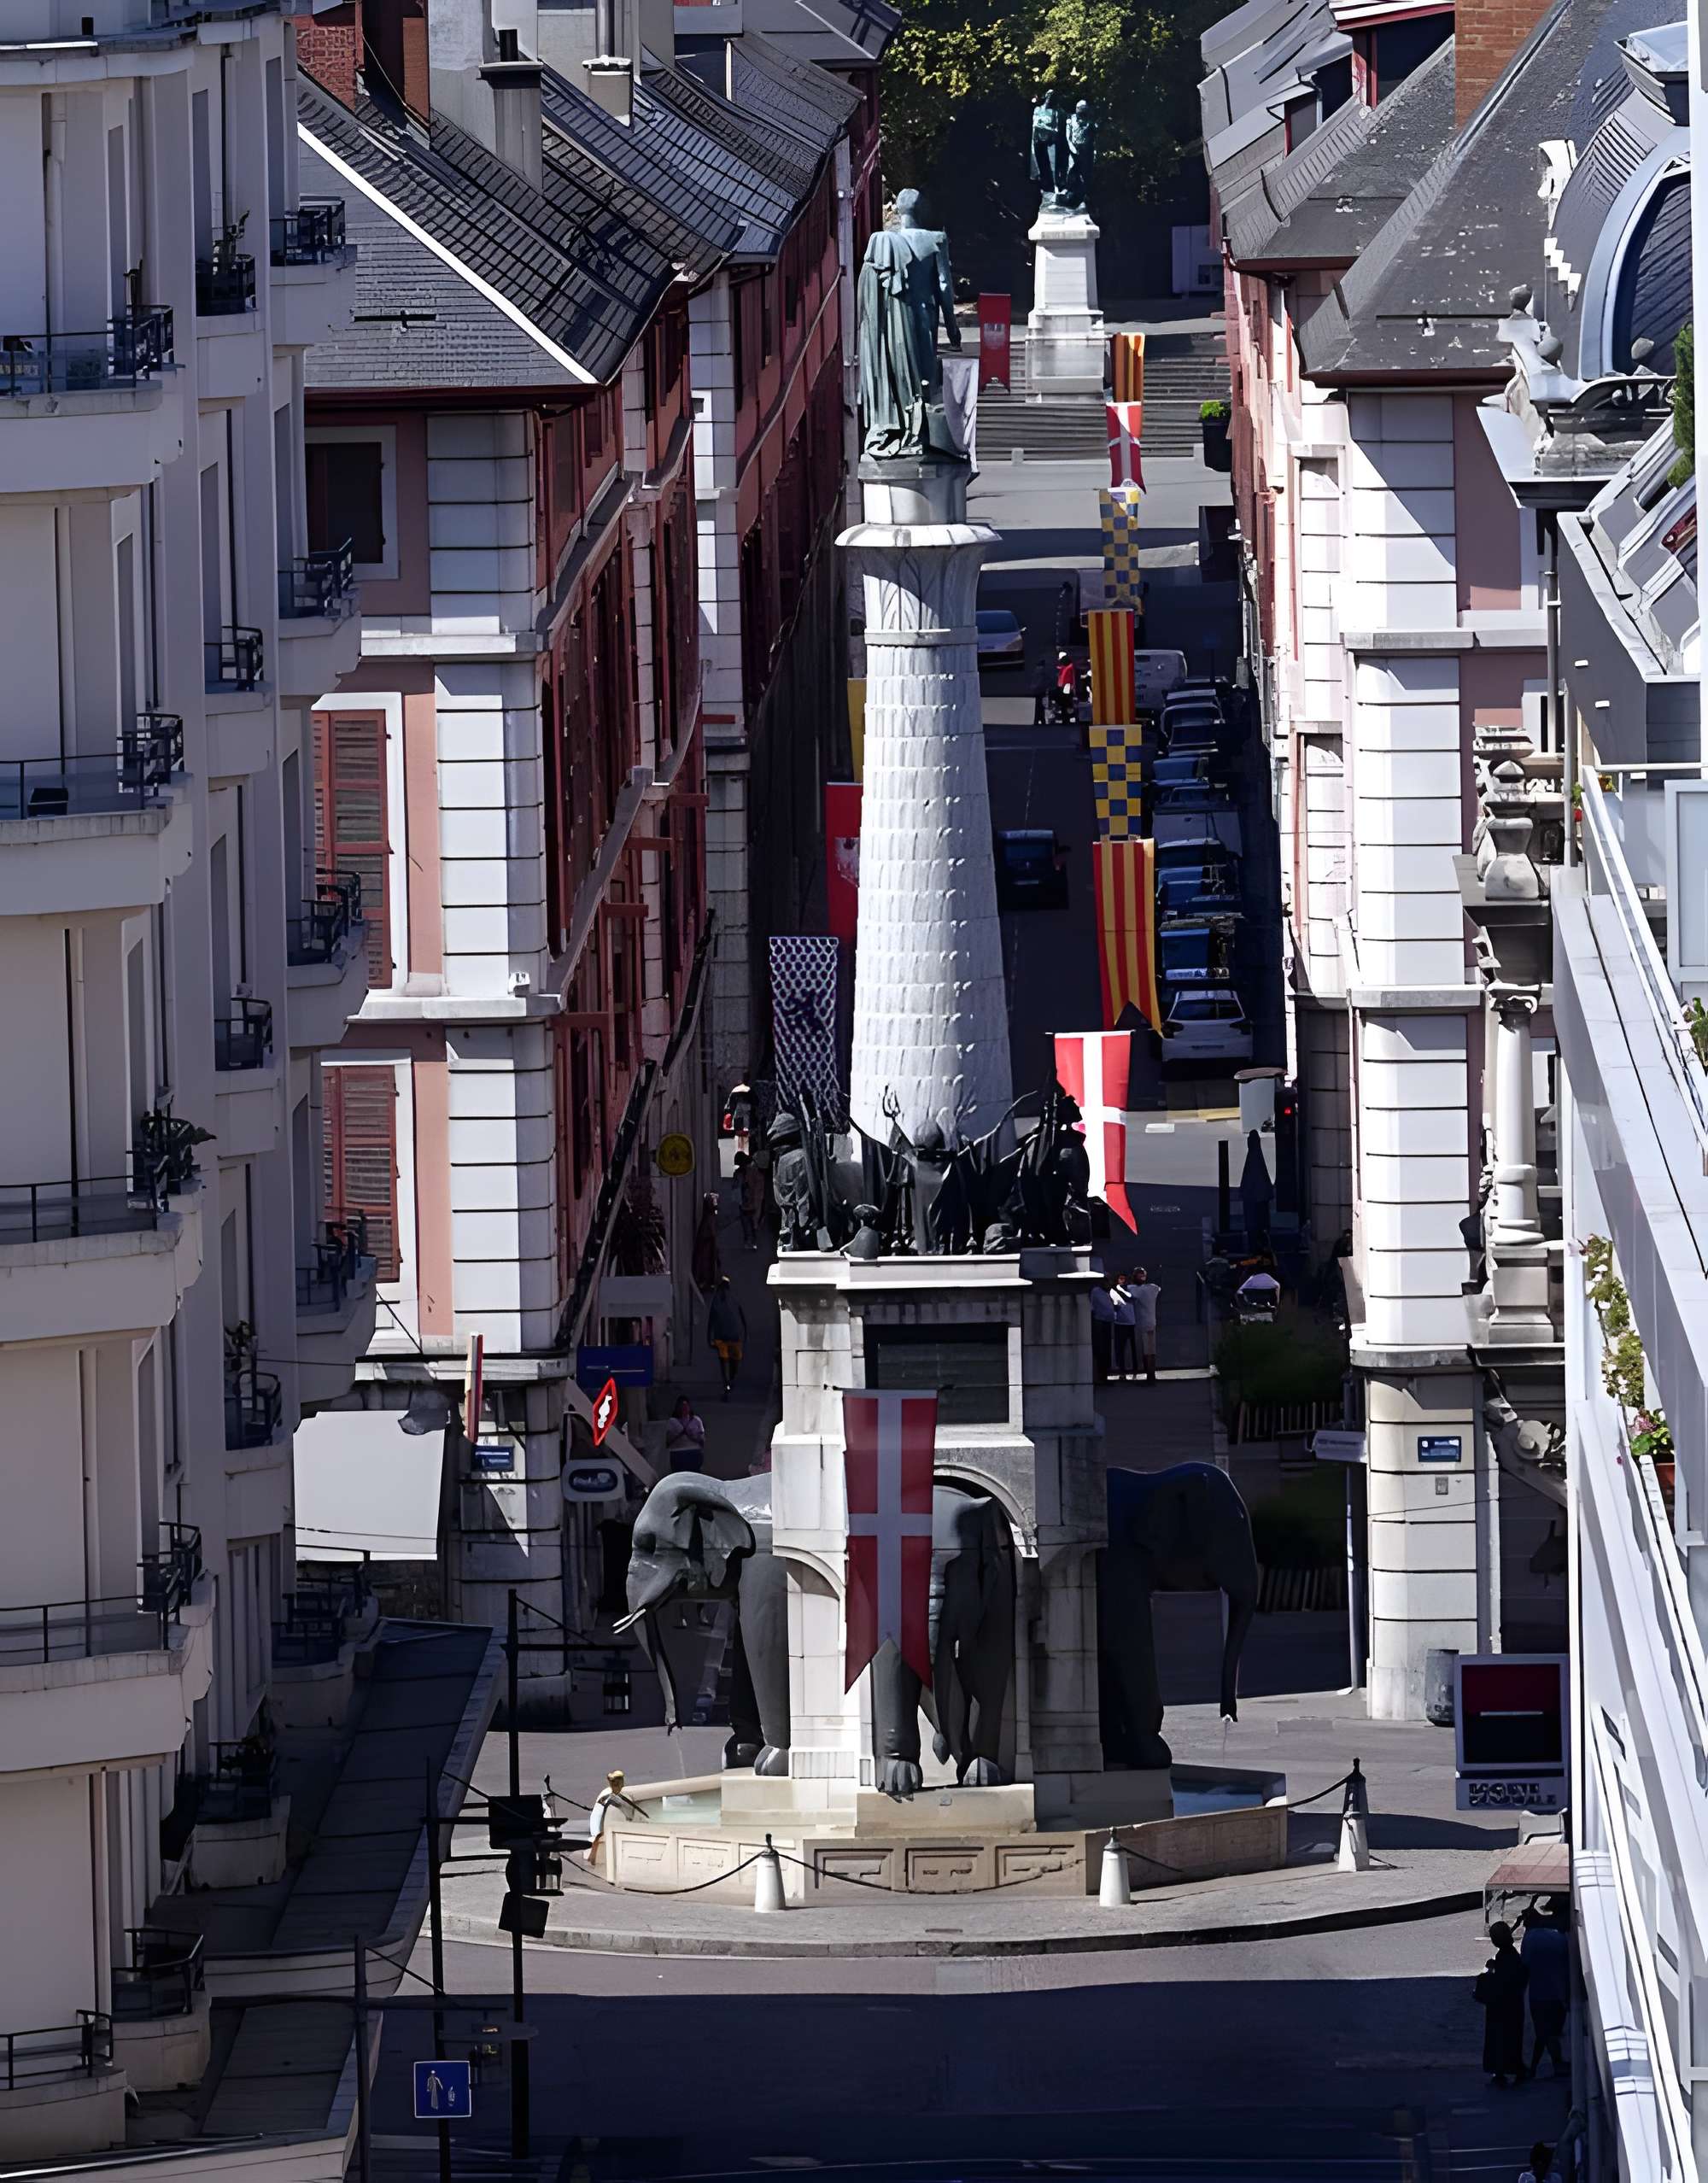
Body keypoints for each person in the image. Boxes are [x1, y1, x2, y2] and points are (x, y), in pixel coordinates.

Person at [1476, 1921, 1530, 2086]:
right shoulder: (1511, 1956)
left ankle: (1505, 2072)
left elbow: (1506, 1981)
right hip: (1511, 2006)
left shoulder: (1506, 1958)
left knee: (1501, 2039)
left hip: (1502, 2006)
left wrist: (1489, 1973)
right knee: (1510, 2039)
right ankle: (1508, 2070)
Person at [1521, 1899, 1571, 2078]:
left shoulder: (1530, 1938)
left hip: (1538, 1993)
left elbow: (1525, 1963)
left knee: (1542, 2032)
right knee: (1552, 2032)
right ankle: (1549, 2064)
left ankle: (1538, 2066)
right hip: (1558, 1992)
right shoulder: (1558, 1935)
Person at [706, 1276, 747, 1401]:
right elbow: (743, 1318)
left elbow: (711, 1320)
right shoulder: (734, 1298)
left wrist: (709, 1337)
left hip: (723, 1337)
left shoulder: (717, 1299)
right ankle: (730, 1382)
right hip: (734, 1337)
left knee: (724, 1362)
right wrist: (745, 1333)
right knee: (733, 1363)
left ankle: (727, 1384)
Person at [1130, 1266, 1161, 1383]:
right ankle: (1150, 1374)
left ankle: (1150, 1375)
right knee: (1150, 1351)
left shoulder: (1134, 1289)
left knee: (1147, 1351)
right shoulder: (1152, 1288)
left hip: (1142, 1324)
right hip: (1150, 1322)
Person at [664, 1396, 706, 1473]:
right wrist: (679, 1434)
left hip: (694, 1452)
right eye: (682, 1406)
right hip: (678, 1453)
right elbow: (668, 1441)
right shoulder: (672, 1421)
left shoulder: (696, 1420)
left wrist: (693, 1436)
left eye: (686, 1405)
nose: (684, 1408)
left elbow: (702, 1439)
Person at [738, 1152, 769, 1251]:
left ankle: (750, 1242)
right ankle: (751, 1242)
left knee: (749, 1223)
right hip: (750, 1202)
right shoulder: (751, 1171)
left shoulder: (751, 1170)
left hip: (749, 1202)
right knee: (752, 1223)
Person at [1109, 1279, 1138, 1378]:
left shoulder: (1130, 1291)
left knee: (1133, 1348)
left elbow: (1132, 1299)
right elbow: (1114, 1306)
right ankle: (1122, 1371)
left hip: (1131, 1323)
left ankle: (1134, 1370)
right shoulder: (1113, 1292)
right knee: (1120, 1349)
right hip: (1120, 1323)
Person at [1089, 1279, 1114, 1384]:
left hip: (1106, 1322)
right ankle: (1100, 1376)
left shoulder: (1106, 1293)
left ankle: (1104, 1376)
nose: (1110, 1285)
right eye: (1108, 1282)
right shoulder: (1097, 1291)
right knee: (1101, 1350)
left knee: (1106, 1350)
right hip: (1099, 1323)